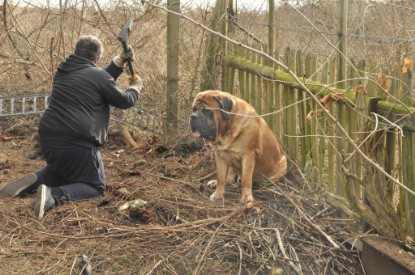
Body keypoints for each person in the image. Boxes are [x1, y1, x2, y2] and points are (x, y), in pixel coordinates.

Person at [0, 35, 143, 219]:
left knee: (65, 170)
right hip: (78, 143)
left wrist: (120, 61)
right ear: (96, 59)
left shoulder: (64, 70)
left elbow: (98, 78)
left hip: (49, 141)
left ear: (76, 52)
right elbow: (123, 100)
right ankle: (53, 196)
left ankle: (39, 180)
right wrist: (136, 88)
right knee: (95, 187)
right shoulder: (97, 76)